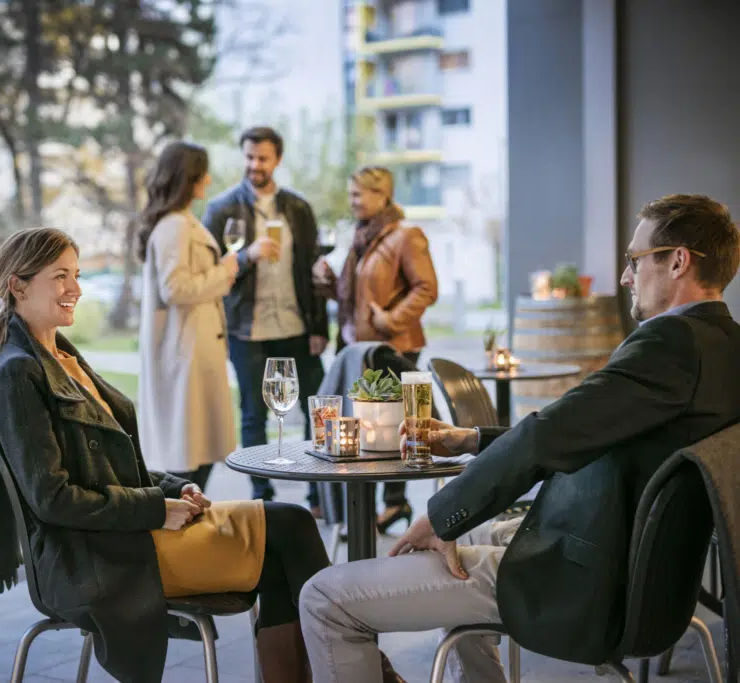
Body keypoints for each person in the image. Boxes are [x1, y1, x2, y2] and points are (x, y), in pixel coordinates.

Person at [298, 193, 740, 683]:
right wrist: (470, 440)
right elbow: (574, 429)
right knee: (470, 530)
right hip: (640, 578)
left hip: (582, 582)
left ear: (678, 260)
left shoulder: (670, 344)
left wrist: (441, 517)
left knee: (323, 598)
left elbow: (548, 435)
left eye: (634, 260)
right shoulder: (725, 346)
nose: (624, 276)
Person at [0, 223, 331, 683]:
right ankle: (364, 672)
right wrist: (155, 509)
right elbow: (52, 497)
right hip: (98, 556)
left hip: (126, 534)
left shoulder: (61, 355)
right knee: (289, 528)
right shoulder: (17, 373)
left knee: (287, 533)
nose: (76, 289)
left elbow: (117, 465)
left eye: (77, 275)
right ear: (17, 285)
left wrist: (173, 487)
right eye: (60, 276)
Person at [202, 126, 329, 505]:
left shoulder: (298, 208)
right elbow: (210, 270)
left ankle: (318, 493)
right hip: (247, 329)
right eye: (249, 157)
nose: (255, 165)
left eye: (263, 158)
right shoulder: (222, 208)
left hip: (295, 324)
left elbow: (312, 269)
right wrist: (246, 255)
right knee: (254, 413)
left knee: (314, 407)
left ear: (278, 160)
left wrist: (319, 326)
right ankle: (262, 495)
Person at [313, 166, 439, 533]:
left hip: (393, 345)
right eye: (351, 194)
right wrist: (329, 284)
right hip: (357, 346)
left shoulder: (405, 236)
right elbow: (356, 295)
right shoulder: (360, 238)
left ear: (382, 195)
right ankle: (379, 505)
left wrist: (389, 321)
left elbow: (427, 288)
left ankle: (393, 502)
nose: (352, 201)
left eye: (358, 194)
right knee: (368, 430)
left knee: (389, 428)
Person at [137, 140, 236, 491]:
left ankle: (189, 527)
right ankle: (183, 531)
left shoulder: (179, 222)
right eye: (202, 173)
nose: (208, 180)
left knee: (199, 449)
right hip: (186, 353)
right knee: (188, 453)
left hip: (194, 349)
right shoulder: (175, 226)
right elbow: (175, 288)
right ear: (189, 177)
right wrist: (224, 272)